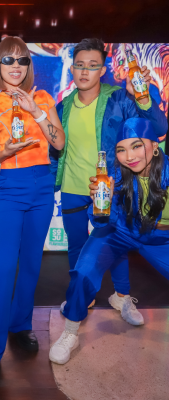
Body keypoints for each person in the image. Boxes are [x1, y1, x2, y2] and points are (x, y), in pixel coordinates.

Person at [50, 38, 168, 325]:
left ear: (103, 70)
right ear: (72, 68)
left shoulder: (119, 98)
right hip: (73, 189)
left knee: (116, 246)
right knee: (77, 246)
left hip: (112, 190)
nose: (84, 71)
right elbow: (56, 150)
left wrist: (141, 98)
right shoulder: (62, 106)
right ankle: (83, 297)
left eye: (92, 65)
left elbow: (158, 128)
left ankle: (122, 297)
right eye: (79, 65)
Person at [0, 36, 66, 387]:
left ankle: (20, 325)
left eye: (22, 60)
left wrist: (36, 112)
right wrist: (7, 150)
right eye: (8, 60)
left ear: (29, 65)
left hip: (42, 186)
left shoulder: (43, 98)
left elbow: (59, 143)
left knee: (30, 264)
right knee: (2, 269)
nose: (15, 66)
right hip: (11, 188)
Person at [49, 118, 169, 365]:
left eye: (137, 146)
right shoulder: (113, 176)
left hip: (160, 239)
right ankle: (70, 332)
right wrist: (101, 203)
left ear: (155, 145)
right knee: (83, 272)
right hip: (121, 230)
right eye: (121, 150)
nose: (130, 157)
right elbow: (103, 224)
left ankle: (120, 298)